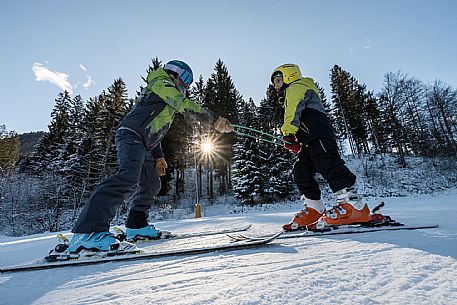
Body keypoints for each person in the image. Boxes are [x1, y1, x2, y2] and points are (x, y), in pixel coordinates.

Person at [67, 60, 234, 253]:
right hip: (130, 135)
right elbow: (182, 104)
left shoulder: (166, 98)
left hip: (145, 143)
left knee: (152, 183)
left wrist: (158, 155)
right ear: (174, 74)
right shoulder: (161, 83)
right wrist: (213, 120)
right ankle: (88, 232)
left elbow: (155, 129)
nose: (187, 85)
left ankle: (136, 226)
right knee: (127, 177)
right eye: (186, 79)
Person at [270, 64, 371, 231]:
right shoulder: (291, 92)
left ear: (290, 76)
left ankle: (354, 206)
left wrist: (288, 133)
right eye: (275, 83)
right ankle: (314, 209)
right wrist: (295, 139)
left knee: (328, 164)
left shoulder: (297, 87)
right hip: (308, 141)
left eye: (279, 80)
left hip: (319, 137)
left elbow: (293, 111)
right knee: (300, 171)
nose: (276, 86)